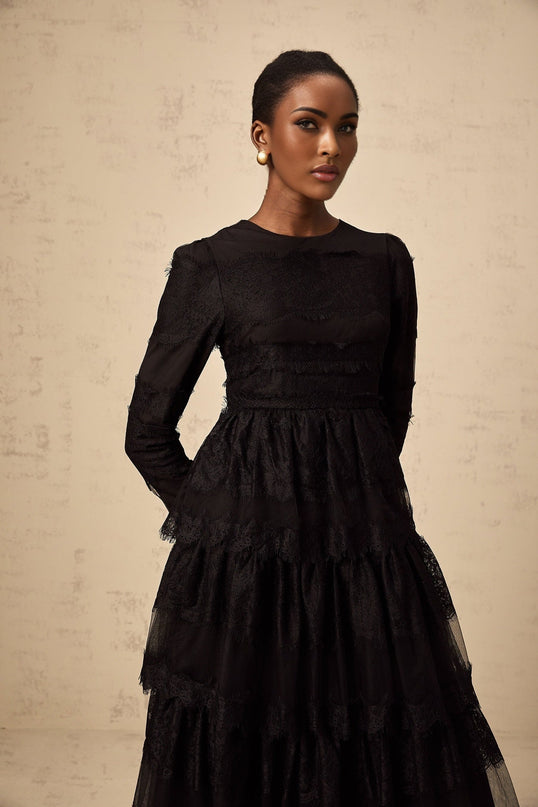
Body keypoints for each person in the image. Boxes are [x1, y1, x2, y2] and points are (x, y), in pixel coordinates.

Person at [125, 49, 520, 807]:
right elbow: (147, 428)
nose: (331, 146)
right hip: (246, 571)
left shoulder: (384, 260)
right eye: (309, 124)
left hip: (364, 553)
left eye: (347, 127)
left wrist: (346, 505)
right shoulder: (211, 263)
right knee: (245, 738)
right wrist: (225, 528)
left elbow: (388, 412)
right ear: (261, 135)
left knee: (377, 731)